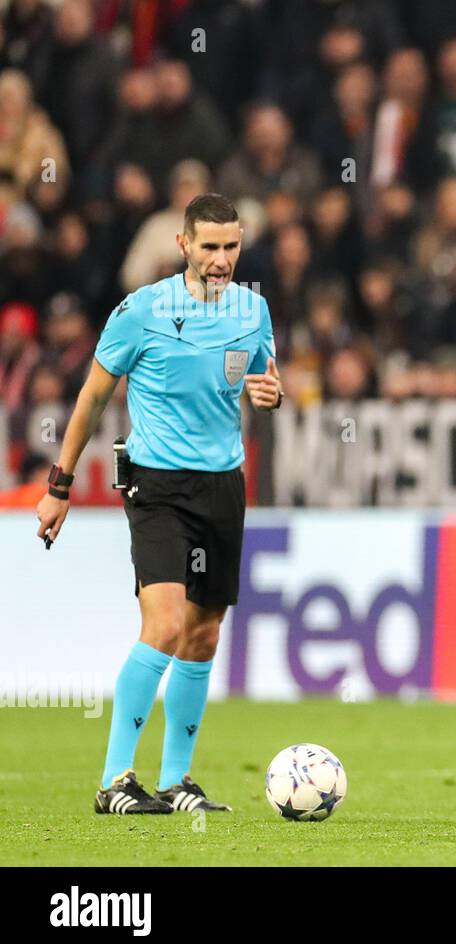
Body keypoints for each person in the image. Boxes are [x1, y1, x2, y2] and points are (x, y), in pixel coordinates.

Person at [35, 193, 282, 815]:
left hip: (223, 485)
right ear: (183, 246)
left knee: (203, 636)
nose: (221, 259)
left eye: (231, 247)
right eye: (209, 247)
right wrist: (59, 487)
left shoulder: (254, 312)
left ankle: (176, 782)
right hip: (157, 484)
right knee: (166, 625)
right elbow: (91, 398)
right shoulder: (140, 312)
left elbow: (265, 382)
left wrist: (272, 394)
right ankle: (114, 780)